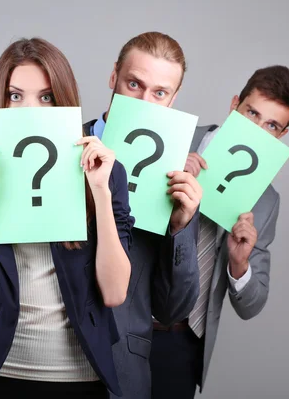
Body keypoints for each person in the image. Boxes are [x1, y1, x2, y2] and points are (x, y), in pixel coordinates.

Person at [0, 37, 134, 399]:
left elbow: (114, 292)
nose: (29, 108)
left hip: (78, 379)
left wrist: (99, 190)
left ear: (63, 101)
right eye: (15, 96)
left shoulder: (106, 174)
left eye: (45, 97)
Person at [154, 65, 289, 398]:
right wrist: (165, 188)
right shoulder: (174, 140)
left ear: (281, 135)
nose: (257, 129)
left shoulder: (266, 202)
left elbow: (251, 305)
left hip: (183, 342)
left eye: (271, 125)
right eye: (252, 113)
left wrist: (240, 264)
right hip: (128, 324)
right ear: (234, 104)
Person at [85, 31, 203, 399]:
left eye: (159, 92)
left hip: (121, 373)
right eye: (134, 84)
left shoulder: (176, 180)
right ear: (114, 76)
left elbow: (172, 310)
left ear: (173, 99)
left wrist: (180, 228)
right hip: (44, 364)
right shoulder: (62, 145)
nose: (145, 101)